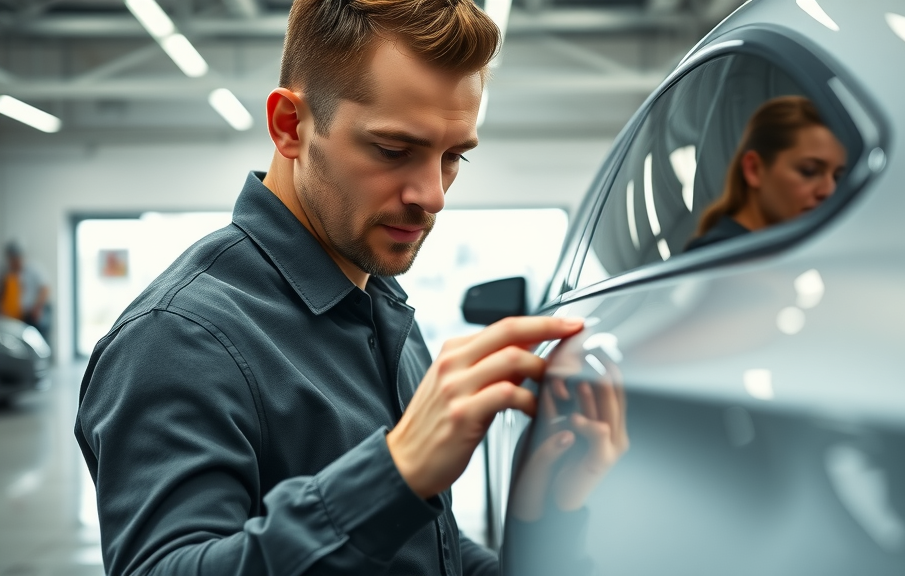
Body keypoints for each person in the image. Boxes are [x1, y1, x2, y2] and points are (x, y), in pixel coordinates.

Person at [74, 1, 585, 575]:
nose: (433, 195)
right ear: (289, 126)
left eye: (452, 157)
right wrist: (394, 475)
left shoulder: (381, 308)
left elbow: (422, 550)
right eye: (393, 150)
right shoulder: (179, 338)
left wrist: (550, 515)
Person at [685, 96, 846, 252]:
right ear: (753, 169)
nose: (829, 191)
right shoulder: (719, 256)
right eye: (809, 171)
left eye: (837, 177)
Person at [0, 239, 50, 340]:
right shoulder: (8, 273)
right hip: (17, 317)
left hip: (33, 314)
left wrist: (37, 307)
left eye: (15, 258)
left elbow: (45, 288)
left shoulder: (33, 269)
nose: (14, 262)